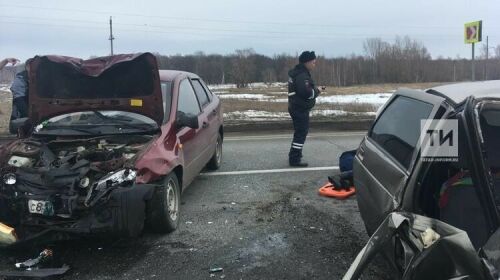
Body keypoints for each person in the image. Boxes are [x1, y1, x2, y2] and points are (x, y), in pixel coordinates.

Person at [287, 51, 321, 167]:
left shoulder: (298, 73)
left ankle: (295, 156)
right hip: (299, 109)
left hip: (295, 107)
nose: (314, 64)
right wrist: (317, 91)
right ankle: (295, 159)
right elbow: (307, 92)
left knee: (299, 133)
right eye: (313, 62)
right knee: (301, 133)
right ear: (307, 62)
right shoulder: (302, 75)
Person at [9, 60, 30, 134]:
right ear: (27, 67)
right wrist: (29, 117)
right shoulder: (21, 78)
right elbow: (19, 98)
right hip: (22, 116)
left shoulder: (41, 77)